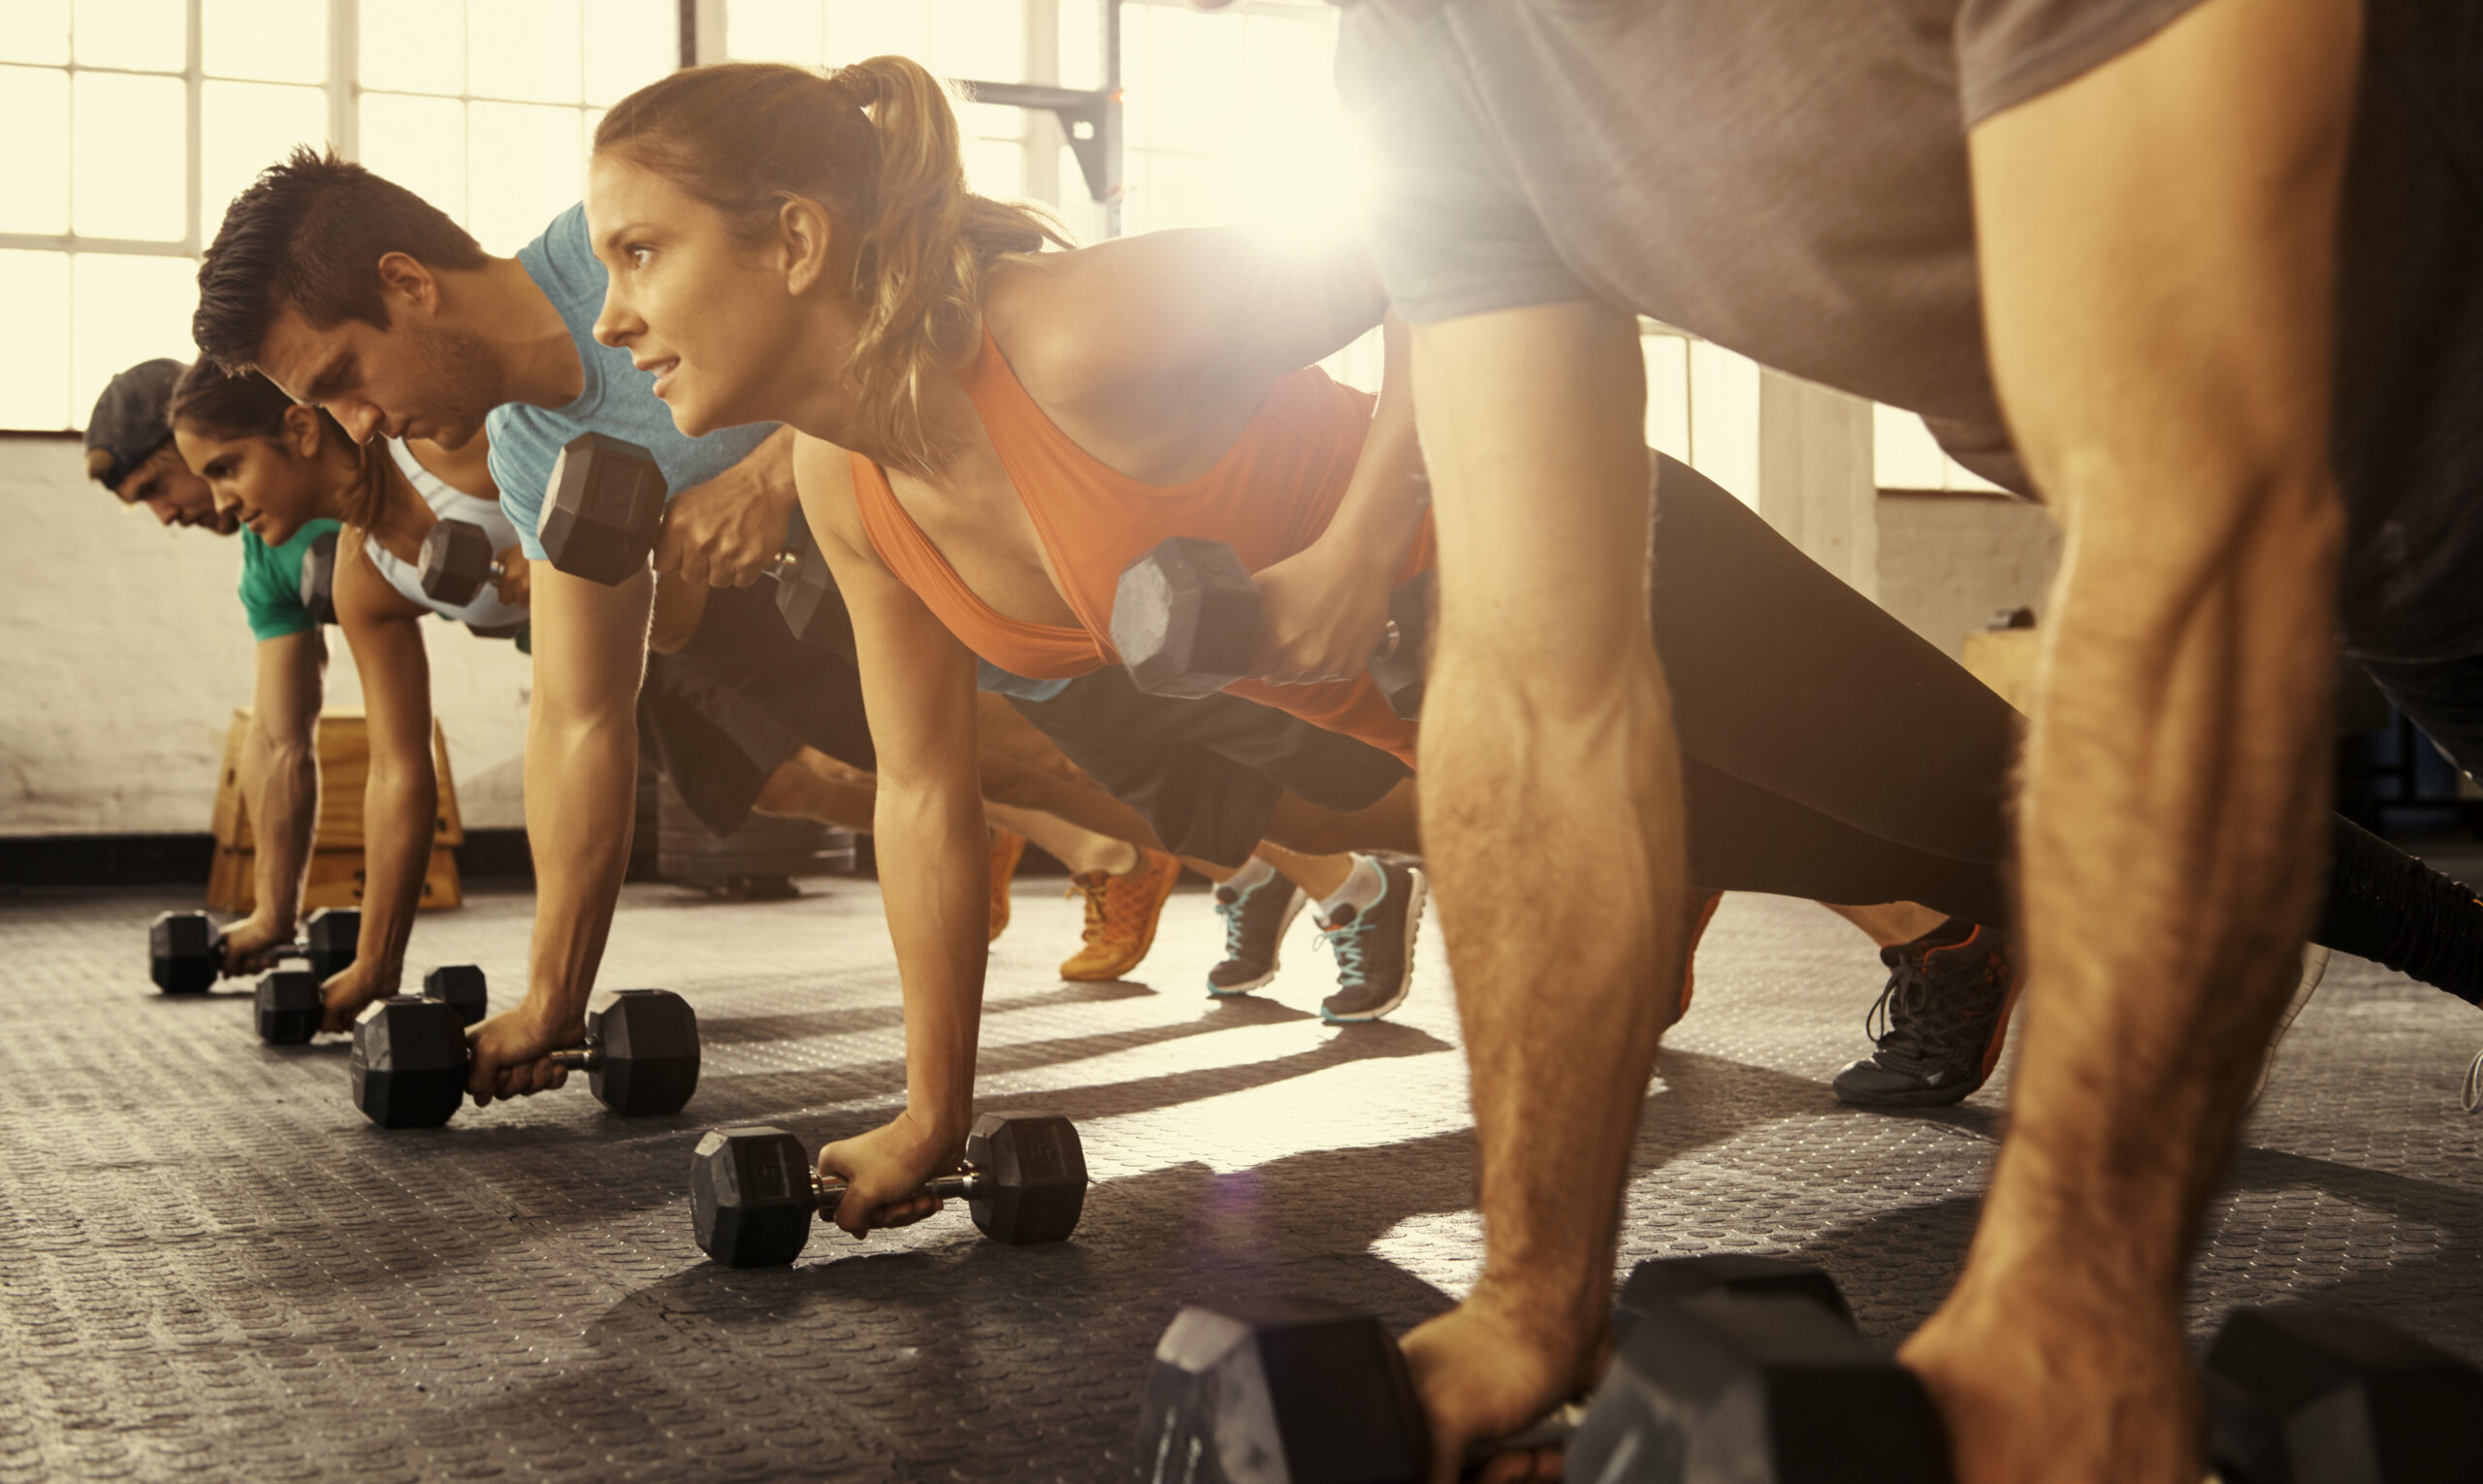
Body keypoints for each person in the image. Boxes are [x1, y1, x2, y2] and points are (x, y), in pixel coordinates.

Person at [1326, 0, 2483, 1477]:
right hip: (2407, 566)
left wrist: (2077, 1294)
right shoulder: (1431, 49)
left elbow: (2195, 516)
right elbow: (1539, 686)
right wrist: (1530, 1293)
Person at [188, 153, 1433, 1063]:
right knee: (1249, 804)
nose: (354, 425)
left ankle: (1482, 857)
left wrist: (768, 468)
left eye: (344, 376)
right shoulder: (526, 459)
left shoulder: (638, 231)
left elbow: (890, 310)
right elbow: (583, 715)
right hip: (978, 638)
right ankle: (1370, 867)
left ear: (407, 284)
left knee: (1408, 767)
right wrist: (549, 1001)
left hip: (1108, 538)